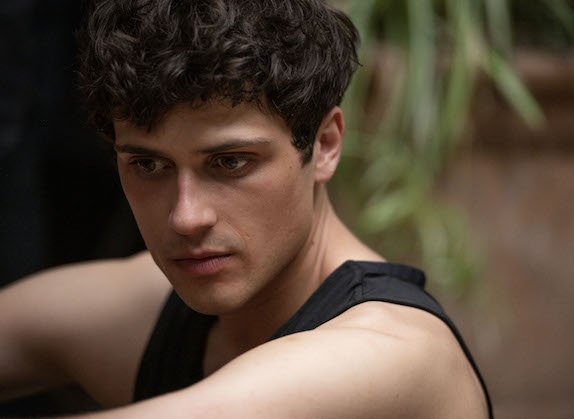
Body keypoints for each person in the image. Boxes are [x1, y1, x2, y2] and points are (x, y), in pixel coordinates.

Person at [0, 0, 492, 417]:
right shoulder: (142, 307)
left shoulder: (397, 354)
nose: (186, 217)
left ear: (324, 145)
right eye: (149, 165)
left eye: (231, 162)